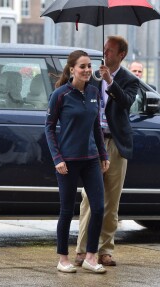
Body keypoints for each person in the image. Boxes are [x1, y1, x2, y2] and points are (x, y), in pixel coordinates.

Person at [75, 36, 139, 267]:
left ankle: (105, 250)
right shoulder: (91, 77)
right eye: (104, 49)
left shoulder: (129, 79)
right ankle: (82, 250)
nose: (105, 54)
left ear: (121, 54)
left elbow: (126, 102)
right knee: (89, 199)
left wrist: (110, 81)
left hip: (116, 144)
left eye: (110, 51)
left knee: (112, 201)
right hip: (94, 142)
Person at [45, 50, 110, 274]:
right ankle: (63, 258)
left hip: (91, 159)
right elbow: (49, 127)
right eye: (82, 66)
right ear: (72, 69)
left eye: (89, 66)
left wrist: (103, 155)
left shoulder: (94, 92)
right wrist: (57, 158)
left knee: (99, 208)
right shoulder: (61, 95)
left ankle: (91, 256)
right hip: (67, 162)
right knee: (66, 211)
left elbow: (96, 127)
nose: (87, 70)